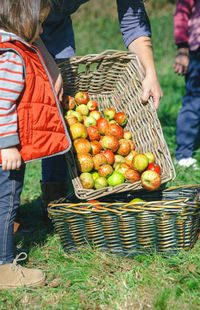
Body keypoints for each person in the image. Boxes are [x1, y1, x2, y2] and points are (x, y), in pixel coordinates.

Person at [38, 0, 163, 212]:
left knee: (60, 105)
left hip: (56, 25)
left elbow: (133, 22)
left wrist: (150, 73)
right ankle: (7, 207)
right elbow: (17, 15)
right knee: (17, 105)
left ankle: (55, 199)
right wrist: (49, 64)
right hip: (13, 20)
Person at [0, 0, 71, 289]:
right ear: (23, 20)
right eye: (39, 22)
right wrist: (7, 145)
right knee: (6, 206)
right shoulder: (13, 55)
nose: (42, 29)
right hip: (6, 154)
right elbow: (2, 104)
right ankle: (4, 268)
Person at [173, 0, 200, 168]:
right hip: (197, 51)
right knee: (194, 101)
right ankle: (183, 154)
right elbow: (182, 12)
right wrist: (183, 49)